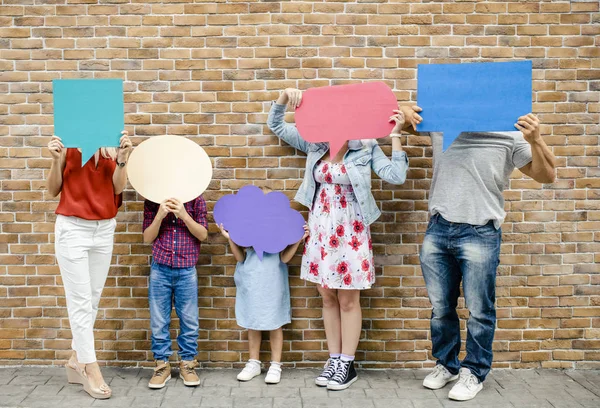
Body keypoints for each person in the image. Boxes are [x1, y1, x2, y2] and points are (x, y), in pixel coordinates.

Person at [267, 88, 417, 390]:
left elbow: (395, 176)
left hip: (350, 231)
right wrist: (284, 98)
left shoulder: (365, 146)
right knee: (326, 295)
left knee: (348, 298)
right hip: (321, 229)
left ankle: (347, 364)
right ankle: (333, 358)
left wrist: (396, 137)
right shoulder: (315, 141)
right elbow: (277, 126)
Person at [409, 109, 557, 401]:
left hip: (481, 231)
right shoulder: (442, 122)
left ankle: (474, 372)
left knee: (479, 310)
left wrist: (536, 140)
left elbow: (547, 175)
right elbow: (400, 122)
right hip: (438, 228)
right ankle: (447, 365)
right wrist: (403, 110)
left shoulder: (511, 133)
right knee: (441, 308)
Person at [47, 132, 132, 399]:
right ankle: (90, 368)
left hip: (104, 228)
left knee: (92, 299)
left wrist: (122, 160)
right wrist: (55, 160)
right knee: (80, 301)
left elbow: (118, 189)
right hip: (73, 229)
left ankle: (76, 358)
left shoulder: (112, 142)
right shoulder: (67, 142)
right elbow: (52, 190)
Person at [218, 212, 308, 384]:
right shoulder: (249, 232)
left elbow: (285, 258)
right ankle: (254, 363)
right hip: (252, 280)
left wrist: (298, 239)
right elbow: (240, 257)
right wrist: (229, 237)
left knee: (275, 322)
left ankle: (275, 365)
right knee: (253, 322)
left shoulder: (277, 233)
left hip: (273, 281)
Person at [142, 195, 208, 389]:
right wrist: (159, 216)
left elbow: (203, 235)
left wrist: (185, 215)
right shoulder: (153, 199)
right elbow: (147, 237)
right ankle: (162, 365)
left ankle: (187, 363)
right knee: (159, 320)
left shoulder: (197, 200)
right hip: (160, 268)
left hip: (187, 269)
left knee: (189, 319)